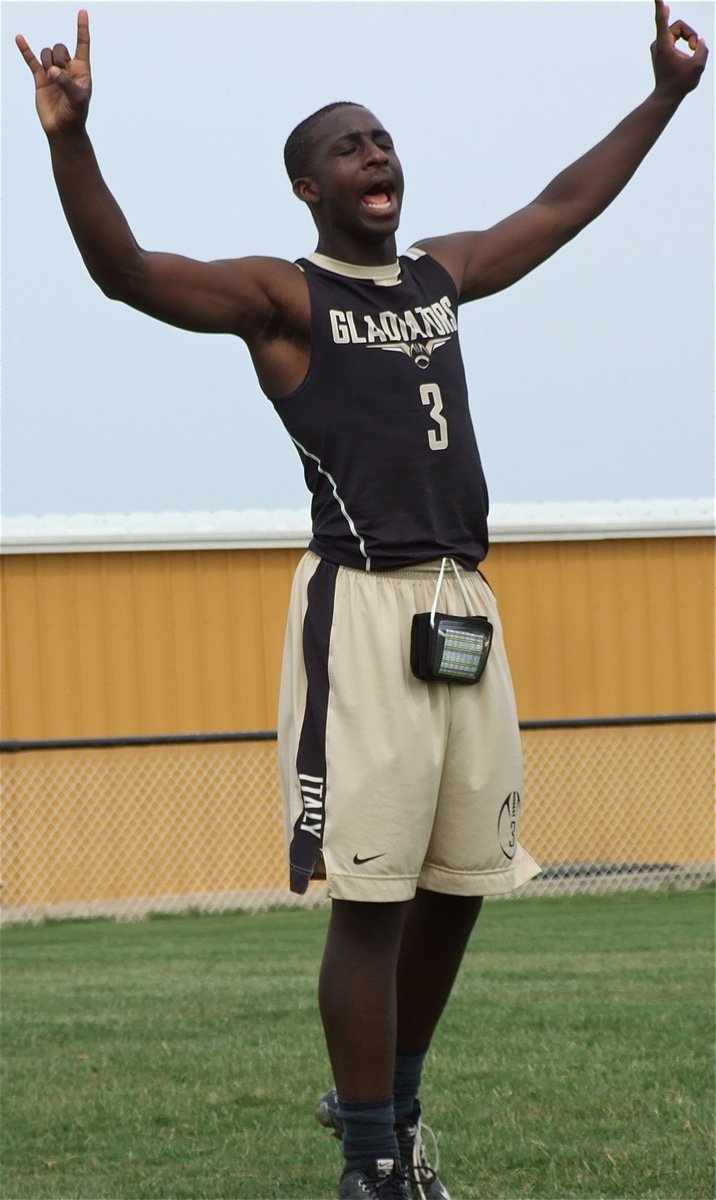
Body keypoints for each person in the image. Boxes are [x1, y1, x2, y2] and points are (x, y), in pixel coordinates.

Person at [16, 7, 708, 1198]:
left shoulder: (439, 275)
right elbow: (126, 276)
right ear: (305, 186)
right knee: (374, 903)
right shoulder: (283, 298)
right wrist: (72, 139)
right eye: (346, 146)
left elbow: (556, 208)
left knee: (458, 889)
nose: (373, 154)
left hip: (464, 613)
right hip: (363, 609)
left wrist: (662, 98)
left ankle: (384, 1102)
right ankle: (371, 1166)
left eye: (382, 139)